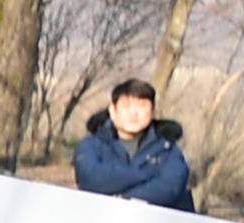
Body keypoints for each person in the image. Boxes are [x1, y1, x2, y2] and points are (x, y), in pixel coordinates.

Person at [74, 77, 194, 212]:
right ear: (113, 110)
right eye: (126, 106)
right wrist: (148, 174)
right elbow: (91, 178)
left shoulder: (169, 150)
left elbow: (170, 188)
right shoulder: (91, 145)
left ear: (153, 111)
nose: (134, 113)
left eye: (142, 106)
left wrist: (123, 201)